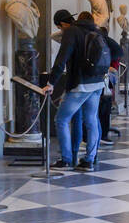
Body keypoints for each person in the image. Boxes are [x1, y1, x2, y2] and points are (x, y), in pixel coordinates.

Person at [43, 11, 110, 170]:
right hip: (98, 82)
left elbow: (61, 59)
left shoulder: (72, 32)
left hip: (80, 84)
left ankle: (66, 159)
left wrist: (51, 82)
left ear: (63, 25)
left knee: (61, 119)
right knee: (91, 120)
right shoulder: (96, 30)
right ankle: (89, 160)